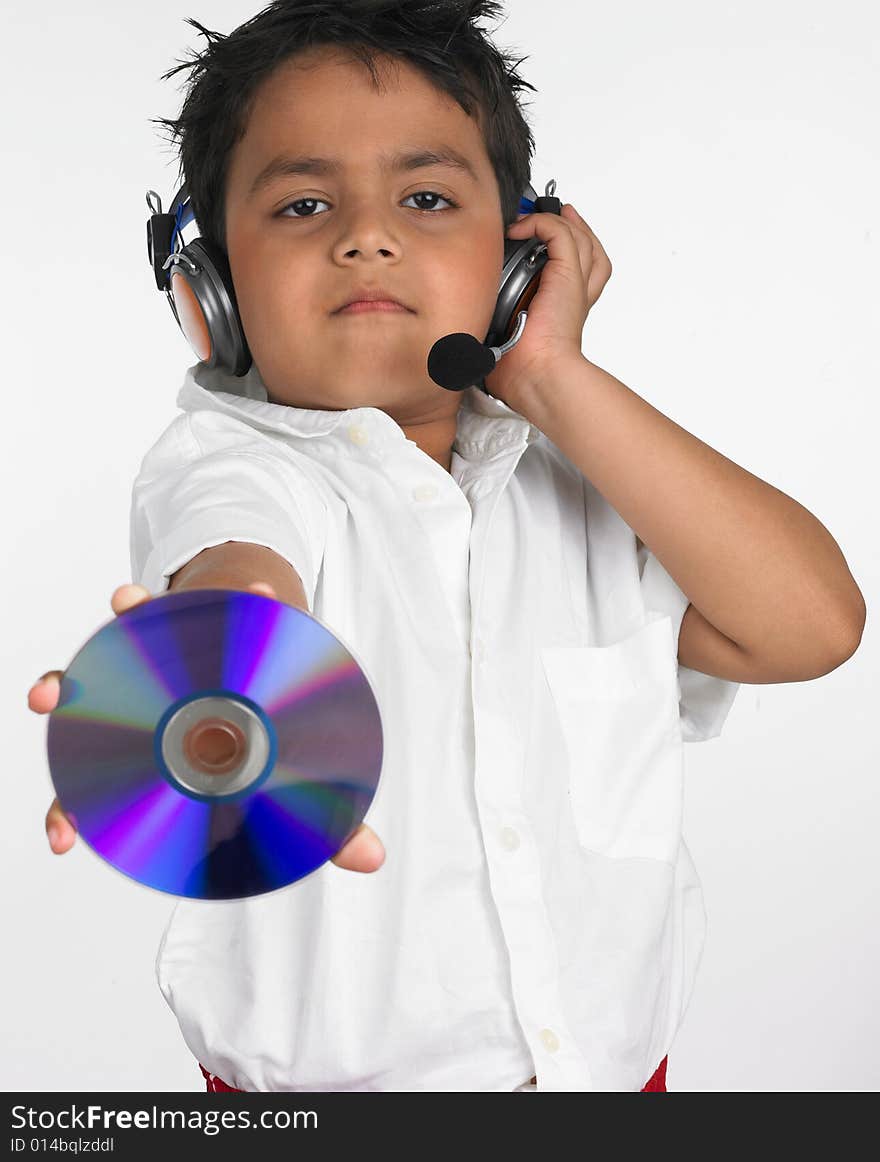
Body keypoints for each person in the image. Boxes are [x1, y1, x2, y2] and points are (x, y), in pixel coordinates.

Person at [28, 0, 865, 1092]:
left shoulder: (596, 489)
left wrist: (555, 375)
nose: (365, 235)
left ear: (519, 260)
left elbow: (810, 624)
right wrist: (211, 681)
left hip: (615, 1078)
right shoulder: (233, 463)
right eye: (303, 202)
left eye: (426, 198)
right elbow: (240, 571)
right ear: (212, 290)